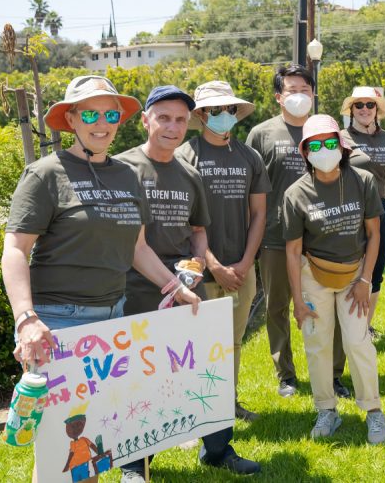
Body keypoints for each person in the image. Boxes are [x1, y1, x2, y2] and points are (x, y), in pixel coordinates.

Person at [2, 75, 200, 483]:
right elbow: (15, 251)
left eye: (110, 114)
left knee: (88, 447)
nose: (102, 122)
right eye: (90, 113)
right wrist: (26, 319)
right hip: (56, 325)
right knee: (59, 449)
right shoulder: (45, 174)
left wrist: (174, 286)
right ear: (70, 119)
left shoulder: (127, 176)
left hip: (113, 322)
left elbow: (138, 249)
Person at [116, 85, 260, 480]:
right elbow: (130, 243)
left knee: (202, 373)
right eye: (163, 117)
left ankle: (216, 450)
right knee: (142, 381)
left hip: (186, 289)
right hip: (137, 290)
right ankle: (136, 465)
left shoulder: (190, 174)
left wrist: (198, 260)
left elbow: (198, 229)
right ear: (146, 120)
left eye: (180, 119)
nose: (172, 127)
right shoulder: (122, 168)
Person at [282, 114, 385, 444]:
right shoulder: (295, 193)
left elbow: (374, 235)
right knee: (317, 345)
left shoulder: (363, 181)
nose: (324, 149)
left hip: (354, 274)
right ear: (304, 152)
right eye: (315, 145)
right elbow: (292, 250)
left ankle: (373, 411)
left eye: (330, 142)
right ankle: (327, 409)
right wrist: (298, 301)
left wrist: (365, 280)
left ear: (342, 147)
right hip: (313, 275)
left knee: (358, 341)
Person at [246, 65, 349, 399]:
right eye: (291, 90)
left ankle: (334, 374)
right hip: (276, 236)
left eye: (305, 89)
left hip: (324, 235)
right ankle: (286, 374)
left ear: (313, 93)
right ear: (279, 96)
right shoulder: (262, 135)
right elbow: (251, 191)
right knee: (276, 306)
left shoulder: (327, 131)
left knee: (330, 306)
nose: (299, 96)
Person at [177, 80, 270, 423]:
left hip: (242, 268)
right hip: (199, 270)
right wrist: (213, 265)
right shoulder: (185, 156)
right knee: (197, 346)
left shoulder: (250, 156)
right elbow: (183, 219)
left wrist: (246, 263)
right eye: (216, 110)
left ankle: (226, 405)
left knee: (232, 343)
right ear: (201, 115)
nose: (224, 115)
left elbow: (259, 213)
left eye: (230, 109)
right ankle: (193, 412)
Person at [339, 86, 385, 337]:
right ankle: (344, 323)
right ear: (351, 110)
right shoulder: (341, 137)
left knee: (376, 267)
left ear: (377, 110)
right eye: (358, 105)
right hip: (354, 210)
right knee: (353, 266)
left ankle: (365, 326)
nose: (364, 109)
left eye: (369, 105)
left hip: (383, 208)